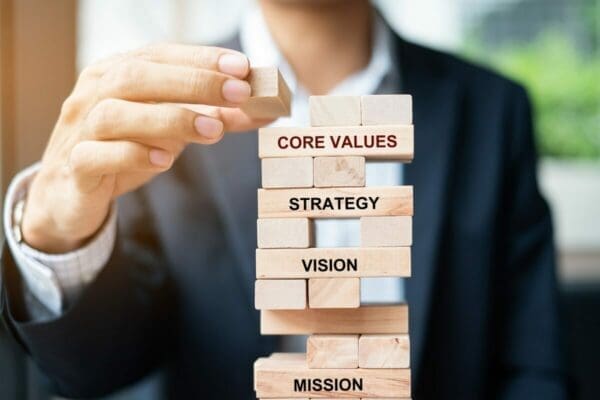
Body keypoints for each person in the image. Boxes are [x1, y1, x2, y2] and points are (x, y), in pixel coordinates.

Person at [0, 0, 569, 399]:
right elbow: (93, 368)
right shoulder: (153, 110)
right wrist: (56, 234)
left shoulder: (493, 111)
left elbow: (533, 367)